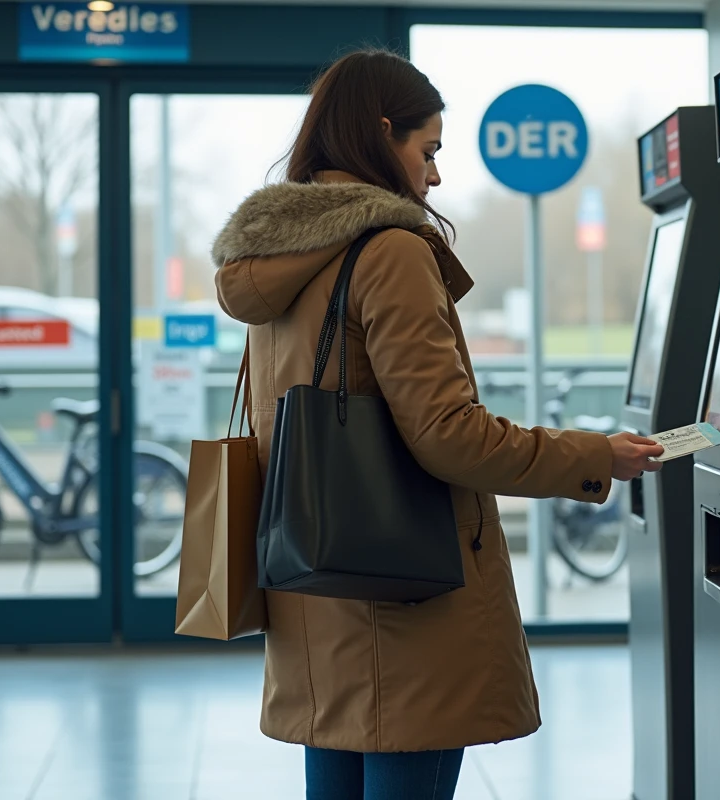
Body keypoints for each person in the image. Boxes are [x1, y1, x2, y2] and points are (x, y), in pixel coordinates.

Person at [211, 49, 664, 800]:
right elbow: (449, 434)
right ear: (382, 134)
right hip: (402, 595)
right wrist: (596, 456)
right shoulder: (388, 251)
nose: (435, 175)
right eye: (429, 150)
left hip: (313, 589)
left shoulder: (278, 257)